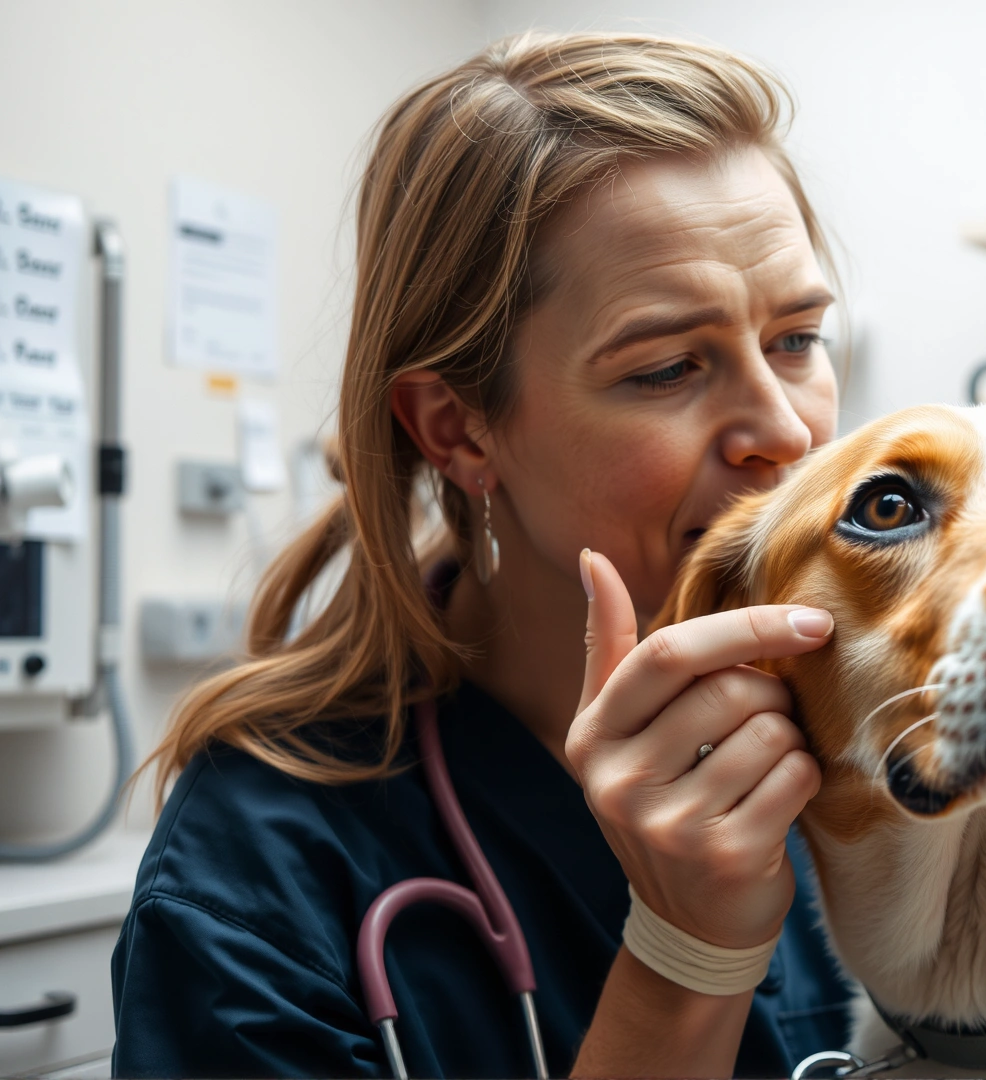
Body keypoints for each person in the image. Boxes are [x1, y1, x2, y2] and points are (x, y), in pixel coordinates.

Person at [111, 31, 856, 1078]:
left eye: (796, 340)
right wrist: (688, 955)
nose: (783, 429)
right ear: (459, 430)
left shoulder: (876, 737)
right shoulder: (261, 882)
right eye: (670, 367)